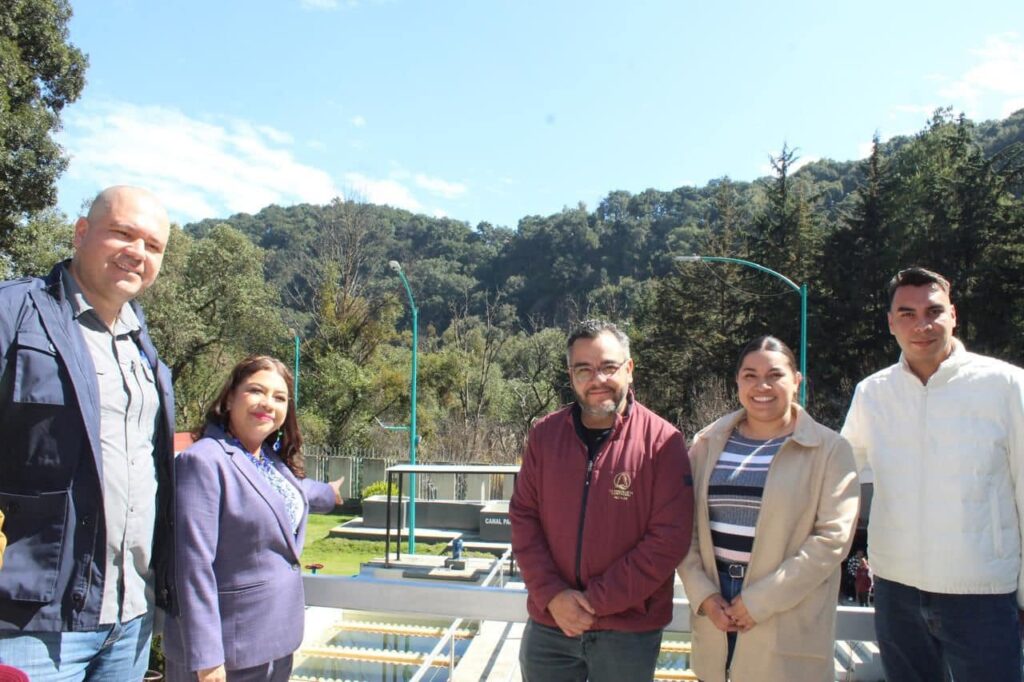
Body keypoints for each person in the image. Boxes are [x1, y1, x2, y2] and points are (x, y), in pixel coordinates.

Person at [0, 187, 175, 680]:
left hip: (129, 622)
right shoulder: (14, 316)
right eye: (123, 233)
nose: (137, 252)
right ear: (81, 233)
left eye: (152, 245)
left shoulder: (144, 350)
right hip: (28, 624)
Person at [841, 266, 1024, 681]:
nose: (921, 325)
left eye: (933, 311)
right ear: (890, 323)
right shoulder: (873, 393)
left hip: (983, 594)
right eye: (906, 313)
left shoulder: (1006, 385)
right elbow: (841, 476)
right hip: (896, 591)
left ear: (953, 315)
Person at [509, 319, 694, 682]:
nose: (598, 380)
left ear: (629, 368)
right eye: (584, 369)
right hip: (551, 627)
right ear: (570, 374)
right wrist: (553, 596)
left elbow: (668, 541)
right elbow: (524, 518)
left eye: (609, 367)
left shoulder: (663, 443)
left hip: (627, 633)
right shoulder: (545, 436)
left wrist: (593, 602)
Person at [678, 336, 859, 682]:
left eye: (775, 375)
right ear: (737, 383)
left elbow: (832, 540)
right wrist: (703, 595)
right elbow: (684, 529)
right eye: (750, 375)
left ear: (796, 380)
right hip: (716, 610)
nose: (762, 386)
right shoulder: (706, 443)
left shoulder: (829, 450)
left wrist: (760, 601)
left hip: (785, 612)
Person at [162, 355, 344, 682]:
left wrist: (330, 494)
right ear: (230, 397)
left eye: (279, 397)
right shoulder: (203, 462)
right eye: (256, 391)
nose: (267, 404)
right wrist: (207, 659)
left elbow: (297, 492)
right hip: (226, 653)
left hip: (274, 643)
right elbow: (191, 565)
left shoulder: (269, 461)